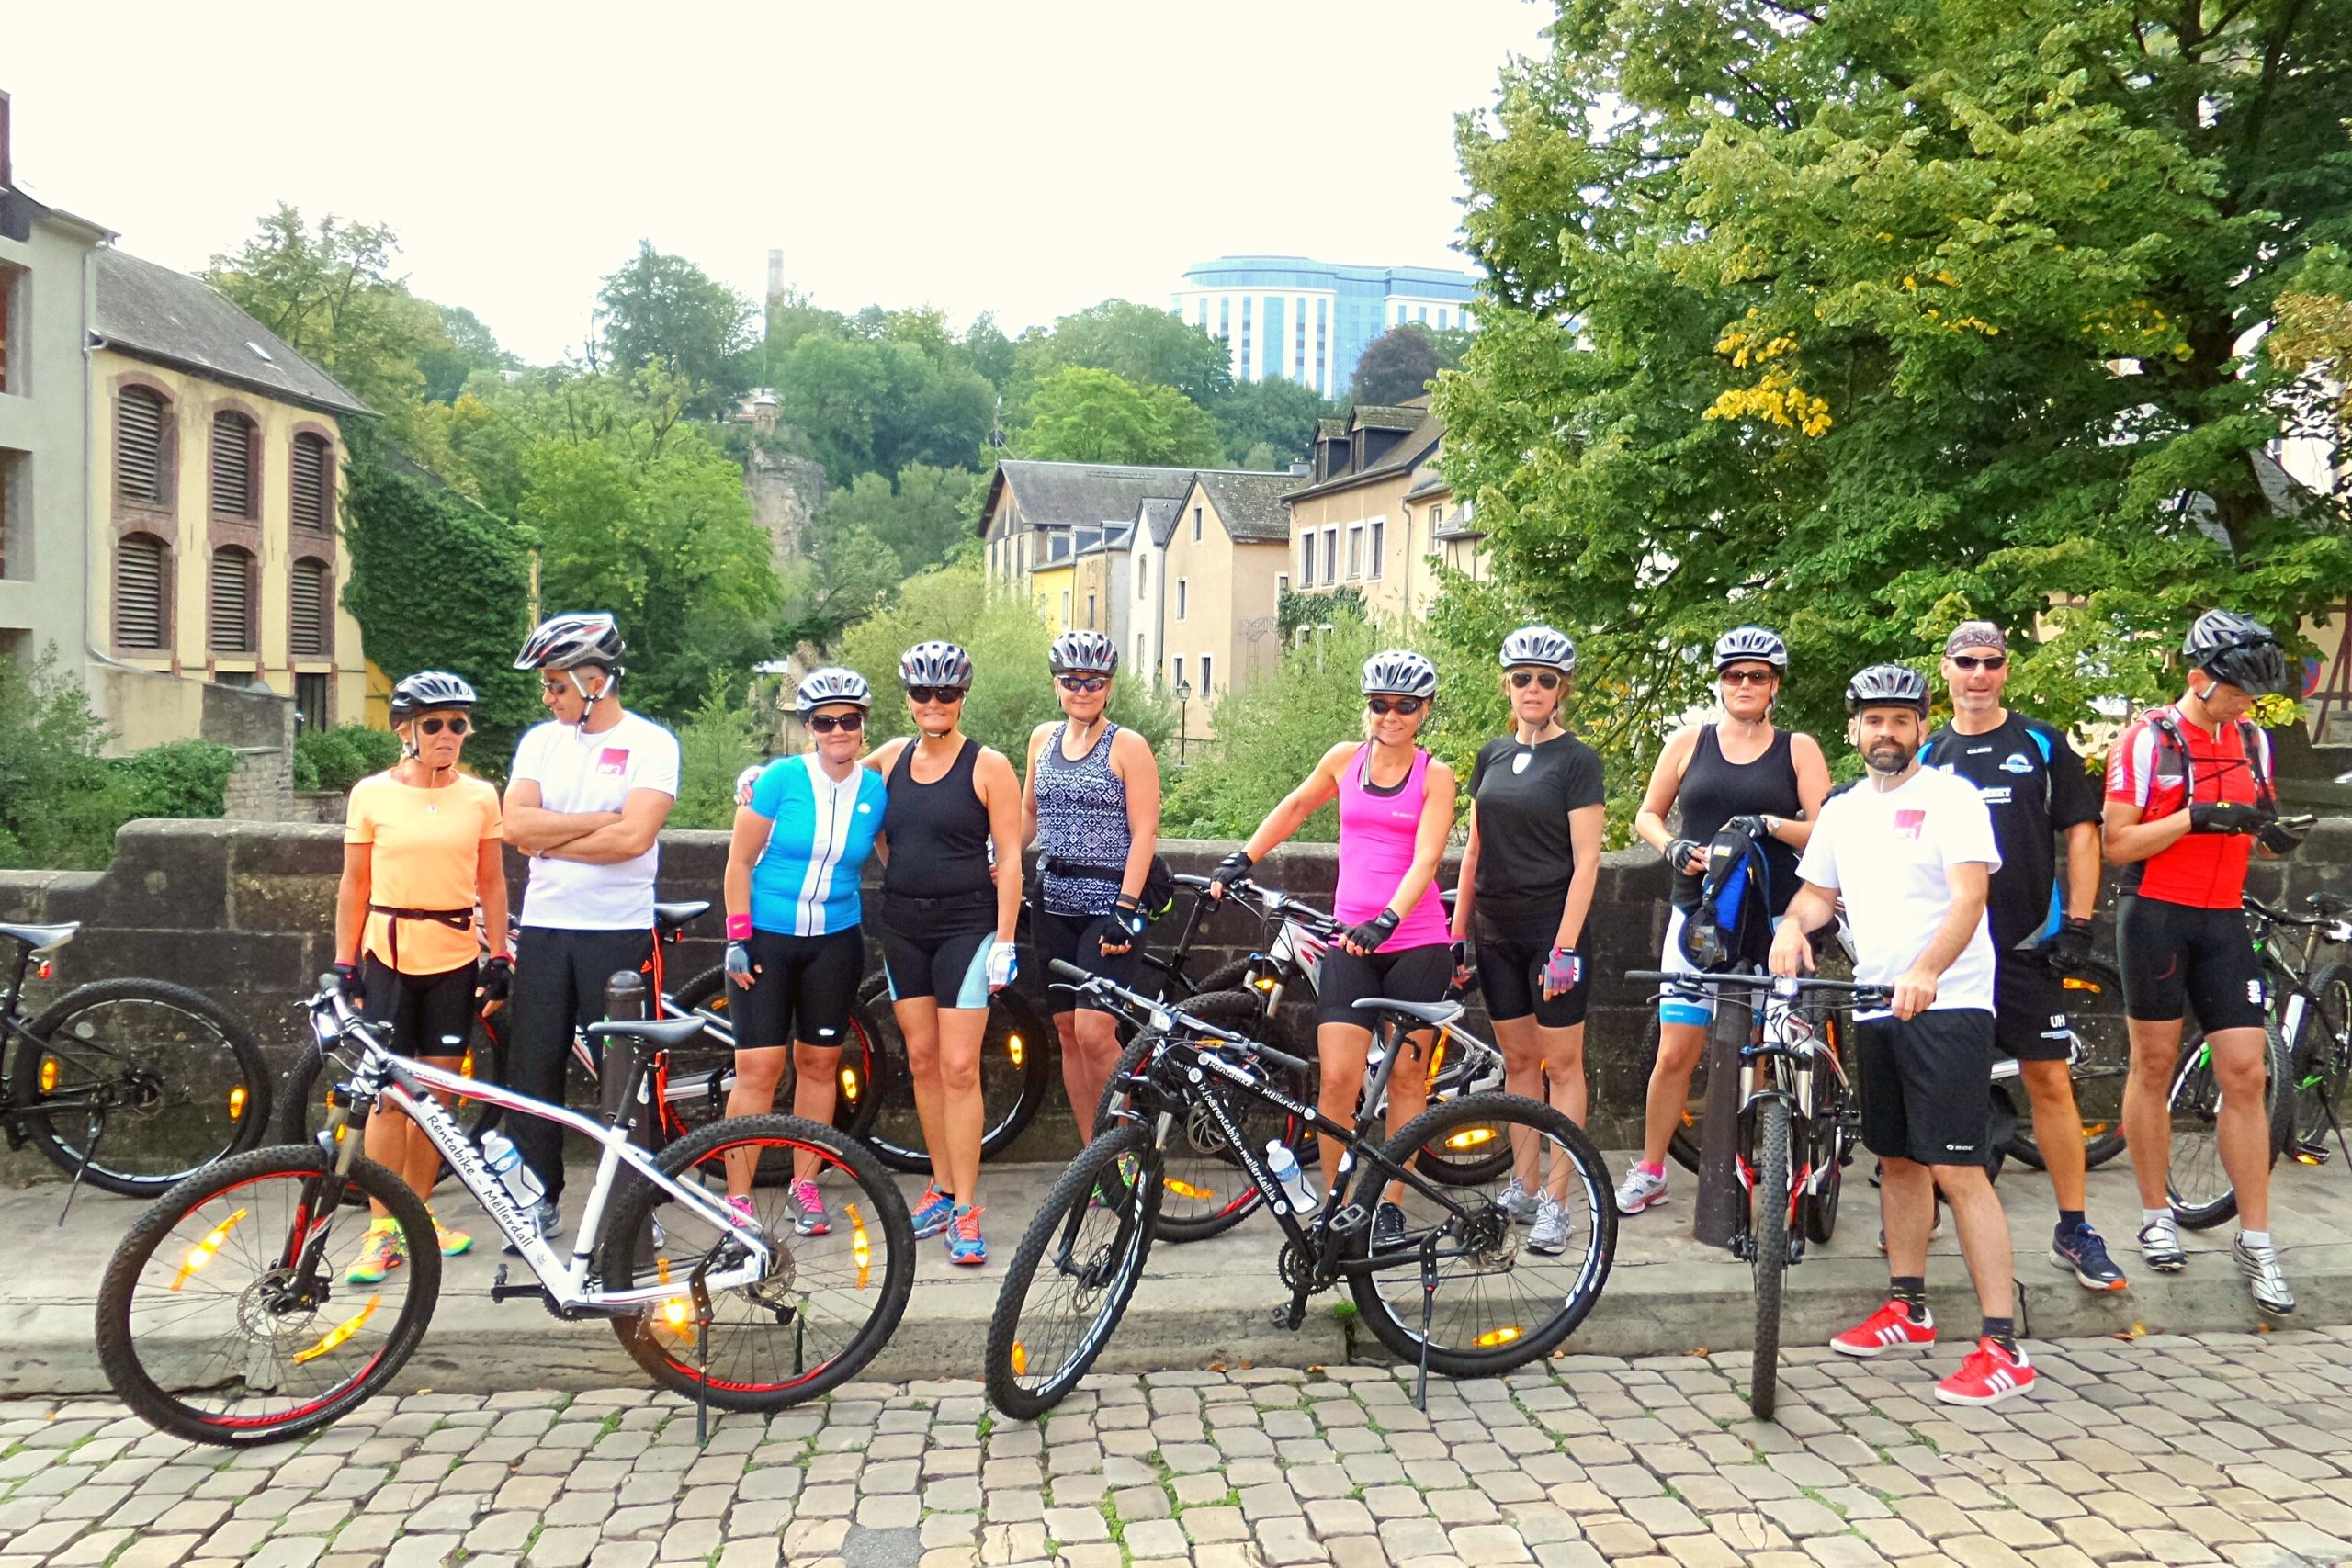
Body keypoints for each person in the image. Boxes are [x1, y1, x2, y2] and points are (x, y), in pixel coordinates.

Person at [1772, 664, 2032, 1405]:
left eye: (1901, 719)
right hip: (1874, 1001)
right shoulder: (1845, 809)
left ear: (1922, 725)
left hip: (1946, 1004)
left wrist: (1925, 971)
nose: (1886, 732)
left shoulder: (1950, 797)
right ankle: (1908, 1306)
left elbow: (1970, 895)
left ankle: (2003, 1345)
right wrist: (1792, 925)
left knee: (1959, 1168)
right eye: (1873, 720)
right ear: (1853, 729)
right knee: (1896, 1157)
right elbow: (1820, 892)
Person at [1210, 650, 1456, 1251]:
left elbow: (1427, 857)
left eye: (1405, 705)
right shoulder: (1345, 759)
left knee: (1404, 1073)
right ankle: (1340, 1210)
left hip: (1415, 941)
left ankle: (1391, 1201)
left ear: (1424, 711)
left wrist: (1390, 918)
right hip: (1351, 938)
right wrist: (1245, 857)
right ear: (1367, 706)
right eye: (1380, 704)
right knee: (1338, 1082)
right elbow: (1296, 806)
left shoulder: (1435, 775)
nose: (1391, 715)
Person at [1918, 623, 2125, 1292]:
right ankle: (1920, 1209)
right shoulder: (1926, 750)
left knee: (2049, 1081)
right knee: (1935, 1081)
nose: (1979, 673)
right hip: (1949, 948)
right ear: (1946, 670)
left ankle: (2075, 1225)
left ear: (2007, 670)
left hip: (2025, 942)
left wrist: (2081, 921)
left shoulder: (2039, 741)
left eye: (1991, 662)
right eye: (1966, 662)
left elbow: (2082, 834)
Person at [2104, 610, 2300, 1314]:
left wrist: (2275, 834)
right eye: (2238, 692)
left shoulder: (2253, 740)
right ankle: (2156, 1214)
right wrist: (2194, 816)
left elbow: (2261, 827)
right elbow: (2117, 844)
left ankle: (2256, 1235)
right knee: (2152, 1065)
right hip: (2155, 913)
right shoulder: (2145, 742)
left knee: (2247, 1072)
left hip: (2222, 917)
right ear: (2197, 679)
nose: (2248, 705)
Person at [1623, 626, 1831, 1215]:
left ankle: (1762, 1168)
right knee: (1675, 1050)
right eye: (1733, 675)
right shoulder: (1690, 741)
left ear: (1775, 686)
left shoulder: (1798, 748)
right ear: (1719, 683)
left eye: (1757, 676)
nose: (1744, 684)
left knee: (1764, 1051)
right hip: (1700, 917)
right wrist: (1669, 846)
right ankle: (1652, 1168)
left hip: (1770, 918)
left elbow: (1825, 828)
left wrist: (1767, 823)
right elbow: (1646, 814)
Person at [501, 613, 679, 1244]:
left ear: (595, 680)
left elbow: (633, 839)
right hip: (549, 928)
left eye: (556, 684)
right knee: (534, 1065)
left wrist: (553, 835)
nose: (547, 697)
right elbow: (515, 825)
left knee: (626, 1072)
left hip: (618, 928)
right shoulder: (540, 743)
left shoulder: (652, 743)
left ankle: (636, 1206)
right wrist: (593, 823)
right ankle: (539, 1193)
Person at [335, 671, 510, 1283]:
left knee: (436, 1095)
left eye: (457, 724)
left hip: (455, 953)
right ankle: (382, 1228)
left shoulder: (481, 796)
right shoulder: (372, 794)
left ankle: (420, 1210)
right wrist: (343, 960)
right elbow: (354, 883)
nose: (448, 735)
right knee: (386, 1095)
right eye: (434, 724)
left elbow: (491, 879)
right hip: (388, 950)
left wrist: (502, 953)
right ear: (405, 730)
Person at [1449, 626, 1604, 1256]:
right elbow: (1473, 850)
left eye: (1545, 679)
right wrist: (1459, 932)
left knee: (1562, 1065)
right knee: (1517, 1064)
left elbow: (1588, 861)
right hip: (1497, 929)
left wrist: (1565, 946)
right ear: (1507, 685)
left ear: (1561, 688)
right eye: (1522, 678)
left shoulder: (1578, 760)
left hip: (1552, 931)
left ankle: (1558, 1203)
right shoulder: (1489, 754)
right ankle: (1523, 1182)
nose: (1533, 688)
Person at [718, 667, 888, 1236]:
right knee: (759, 1069)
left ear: (863, 725)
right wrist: (737, 935)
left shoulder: (873, 787)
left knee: (819, 1065)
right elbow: (738, 861)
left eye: (849, 720)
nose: (838, 730)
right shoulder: (779, 780)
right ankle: (738, 1199)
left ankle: (805, 1184)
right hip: (767, 937)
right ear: (809, 727)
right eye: (824, 721)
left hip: (836, 941)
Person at [873, 641, 1024, 1265]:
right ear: (907, 698)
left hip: (967, 928)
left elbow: (1011, 855)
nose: (934, 704)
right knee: (923, 1058)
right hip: (903, 926)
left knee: (961, 1065)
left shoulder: (988, 765)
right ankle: (939, 1183)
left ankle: (966, 1207)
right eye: (922, 694)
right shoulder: (887, 759)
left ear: (962, 697)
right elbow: (834, 783)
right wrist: (756, 791)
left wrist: (1007, 940)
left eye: (947, 694)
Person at [1023, 630, 1161, 1143]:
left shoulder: (1127, 745)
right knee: (1066, 1033)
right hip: (1052, 901)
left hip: (1109, 904)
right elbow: (1029, 814)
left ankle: (1120, 1145)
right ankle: (1092, 1158)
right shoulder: (1042, 739)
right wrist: (995, 859)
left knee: (1096, 1032)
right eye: (1072, 681)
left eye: (1095, 682)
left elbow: (1145, 829)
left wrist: (1126, 905)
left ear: (1109, 687)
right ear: (1057, 686)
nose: (1083, 690)